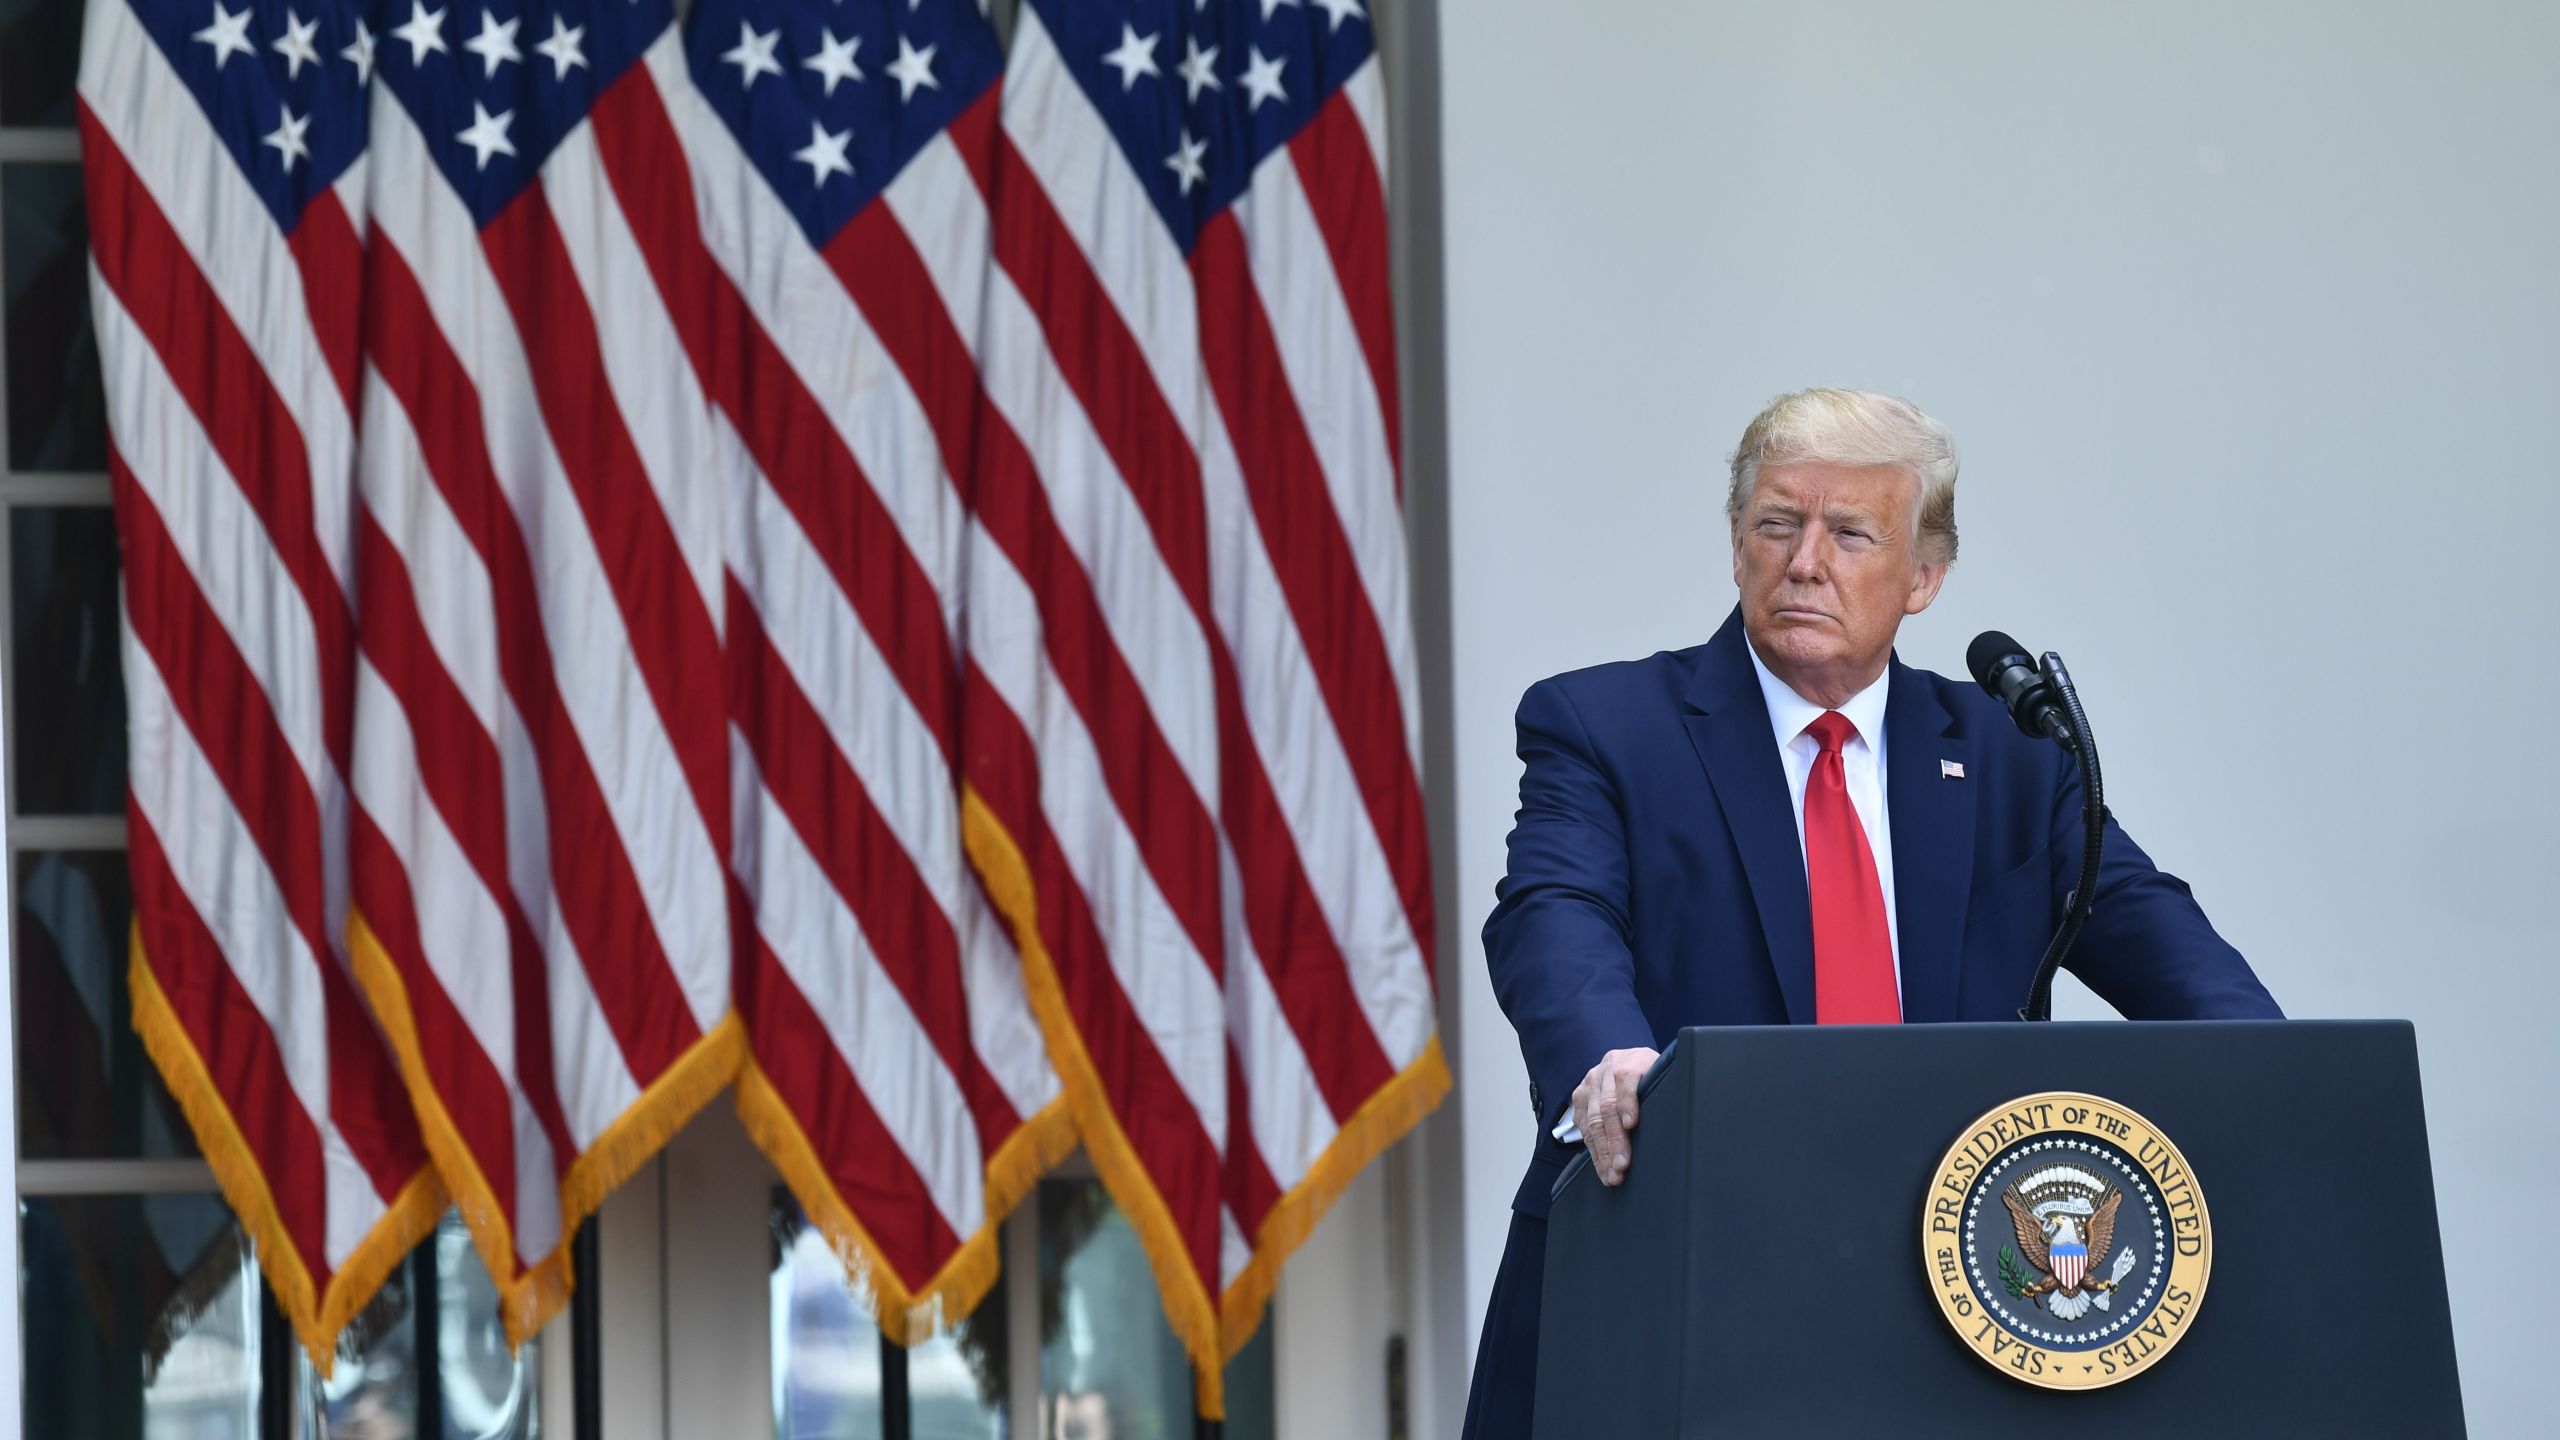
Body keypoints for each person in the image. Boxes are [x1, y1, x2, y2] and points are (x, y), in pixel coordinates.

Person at [1459, 388, 2280, 1440]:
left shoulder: (2010, 756)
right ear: (1736, 543)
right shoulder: (1606, 724)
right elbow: (1551, 913)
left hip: (1947, 1294)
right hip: (1679, 1257)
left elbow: (2162, 945)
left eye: (1849, 534)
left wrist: (2284, 1087)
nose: (1804, 562)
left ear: (1924, 577)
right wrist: (1607, 1057)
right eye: (1775, 525)